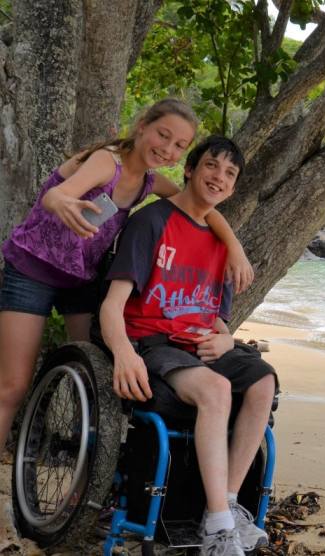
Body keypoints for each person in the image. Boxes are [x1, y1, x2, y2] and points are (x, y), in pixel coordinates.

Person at [0, 99, 254, 459]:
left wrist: (234, 247)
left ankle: (83, 463)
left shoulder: (149, 181)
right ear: (142, 127)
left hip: (81, 279)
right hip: (33, 269)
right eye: (162, 135)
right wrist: (60, 203)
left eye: (179, 145)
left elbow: (197, 206)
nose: (167, 148)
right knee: (12, 385)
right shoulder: (107, 162)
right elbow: (57, 195)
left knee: (92, 378)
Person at [100, 136, 276, 555]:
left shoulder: (223, 244)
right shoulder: (153, 222)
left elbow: (218, 317)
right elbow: (113, 305)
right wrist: (123, 353)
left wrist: (226, 338)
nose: (219, 177)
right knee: (215, 391)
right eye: (212, 166)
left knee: (263, 381)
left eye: (230, 173)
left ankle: (228, 506)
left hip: (199, 345)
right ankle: (217, 531)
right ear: (190, 169)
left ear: (233, 187)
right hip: (153, 342)